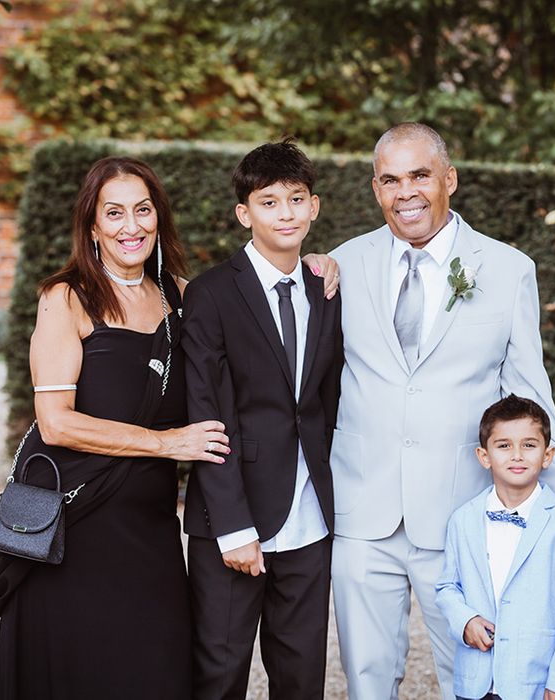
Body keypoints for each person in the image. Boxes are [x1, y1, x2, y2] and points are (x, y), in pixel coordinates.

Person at [329, 122, 555, 699]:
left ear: (448, 179)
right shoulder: (339, 265)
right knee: (365, 678)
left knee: (475, 675)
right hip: (362, 510)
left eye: (420, 176)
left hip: (459, 517)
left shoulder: (507, 269)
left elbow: (532, 398)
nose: (405, 192)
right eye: (389, 180)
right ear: (374, 189)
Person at [0, 155, 232, 700]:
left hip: (148, 531)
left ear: (158, 217)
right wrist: (166, 443)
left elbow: (254, 309)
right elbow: (55, 424)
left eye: (143, 210)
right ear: (93, 226)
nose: (132, 226)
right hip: (72, 528)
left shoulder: (182, 295)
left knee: (156, 668)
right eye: (115, 213)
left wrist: (315, 262)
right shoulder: (67, 298)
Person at [181, 140, 343, 700]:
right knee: (220, 674)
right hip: (235, 517)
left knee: (300, 678)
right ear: (244, 214)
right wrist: (232, 526)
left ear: (315, 206)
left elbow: (326, 402)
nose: (286, 213)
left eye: (296, 199)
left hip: (310, 517)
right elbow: (206, 413)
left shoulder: (326, 291)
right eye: (269, 202)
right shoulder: (210, 295)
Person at [436, 395, 555, 700]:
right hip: (474, 682)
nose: (517, 455)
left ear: (547, 455)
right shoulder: (463, 519)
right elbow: (446, 587)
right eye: (504, 446)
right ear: (484, 456)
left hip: (535, 683)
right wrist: (465, 620)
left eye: (529, 445)